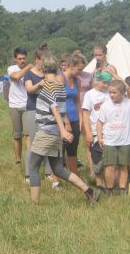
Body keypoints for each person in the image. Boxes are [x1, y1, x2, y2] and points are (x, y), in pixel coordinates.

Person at [26, 54, 96, 204]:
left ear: (43, 69)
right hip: (56, 133)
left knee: (32, 168)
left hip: (46, 132)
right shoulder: (60, 87)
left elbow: (55, 109)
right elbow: (61, 110)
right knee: (59, 170)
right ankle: (89, 191)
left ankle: (34, 205)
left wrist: (64, 130)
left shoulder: (47, 86)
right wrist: (62, 130)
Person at [23, 45, 53, 184]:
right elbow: (29, 90)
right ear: (37, 60)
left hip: (48, 110)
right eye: (43, 60)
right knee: (34, 143)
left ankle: (49, 172)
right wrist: (39, 85)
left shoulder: (48, 72)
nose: (45, 64)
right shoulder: (29, 73)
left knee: (48, 142)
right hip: (33, 110)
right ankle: (29, 174)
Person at [82, 71, 112, 198]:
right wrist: (88, 133)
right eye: (104, 83)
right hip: (95, 130)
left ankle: (109, 184)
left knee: (110, 159)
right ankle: (100, 184)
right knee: (97, 159)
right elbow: (85, 114)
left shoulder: (111, 93)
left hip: (110, 131)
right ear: (97, 81)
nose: (106, 85)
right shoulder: (90, 95)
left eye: (108, 83)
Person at [57, 53, 84, 175]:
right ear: (71, 66)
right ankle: (56, 177)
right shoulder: (60, 79)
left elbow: (77, 100)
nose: (80, 72)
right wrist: (66, 121)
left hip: (75, 118)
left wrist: (81, 118)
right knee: (60, 149)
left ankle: (74, 175)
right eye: (79, 69)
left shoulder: (77, 80)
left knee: (73, 149)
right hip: (62, 119)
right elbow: (58, 102)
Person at [7, 47, 32, 164]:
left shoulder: (31, 71)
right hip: (14, 105)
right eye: (20, 58)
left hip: (27, 105)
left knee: (28, 134)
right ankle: (18, 160)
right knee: (17, 135)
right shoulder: (12, 68)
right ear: (15, 59)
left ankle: (30, 160)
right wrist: (28, 67)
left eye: (24, 58)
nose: (22, 60)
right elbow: (16, 77)